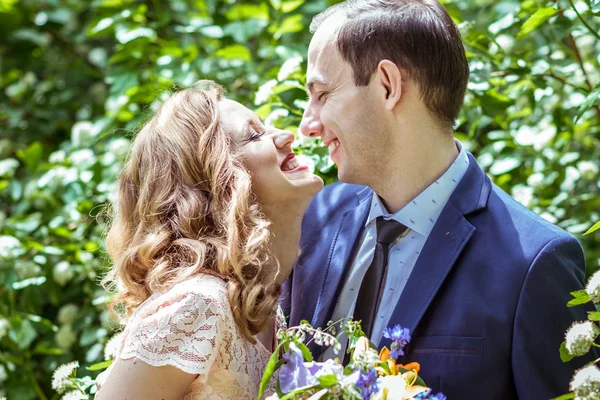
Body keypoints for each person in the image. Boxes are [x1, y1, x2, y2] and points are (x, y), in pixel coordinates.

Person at [281, 1, 596, 399]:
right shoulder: (316, 219)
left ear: (387, 86)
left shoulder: (532, 264)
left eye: (323, 94)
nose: (307, 124)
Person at [94, 82, 323, 400]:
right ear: (218, 183)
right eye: (255, 135)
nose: (286, 136)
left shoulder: (266, 309)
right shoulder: (198, 306)